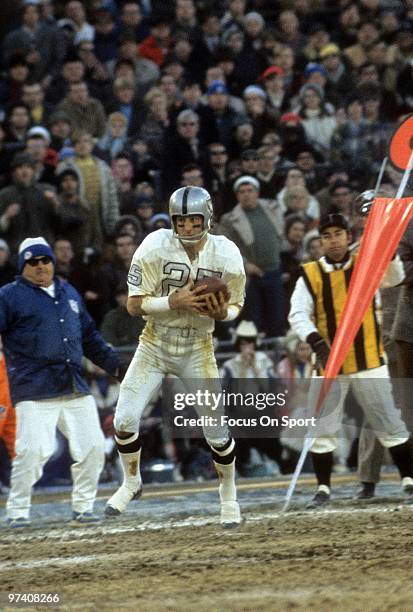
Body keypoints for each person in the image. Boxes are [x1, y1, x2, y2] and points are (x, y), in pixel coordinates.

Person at [105, 187, 246, 527]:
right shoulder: (154, 246)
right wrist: (173, 302)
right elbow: (134, 304)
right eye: (180, 221)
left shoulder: (226, 254)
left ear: (207, 218)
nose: (186, 227)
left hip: (198, 346)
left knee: (216, 431)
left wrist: (221, 313)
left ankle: (229, 496)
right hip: (154, 343)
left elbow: (237, 306)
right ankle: (132, 482)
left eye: (193, 219)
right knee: (123, 420)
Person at [288, 213, 413, 508]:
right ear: (321, 241)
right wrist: (316, 342)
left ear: (347, 236)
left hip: (367, 356)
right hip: (329, 361)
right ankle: (323, 488)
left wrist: (391, 252)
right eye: (327, 235)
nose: (334, 240)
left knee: (388, 420)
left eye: (338, 234)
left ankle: (409, 479)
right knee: (322, 426)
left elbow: (395, 279)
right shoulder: (310, 273)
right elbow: (297, 313)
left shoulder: (366, 264)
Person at [1, 237, 120, 527]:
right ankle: (17, 511)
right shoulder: (8, 295)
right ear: (23, 266)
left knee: (93, 447)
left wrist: (119, 367)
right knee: (32, 452)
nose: (40, 266)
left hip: (73, 384)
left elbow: (90, 337)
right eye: (33, 262)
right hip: (33, 387)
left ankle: (83, 507)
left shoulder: (69, 292)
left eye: (45, 260)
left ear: (53, 262)